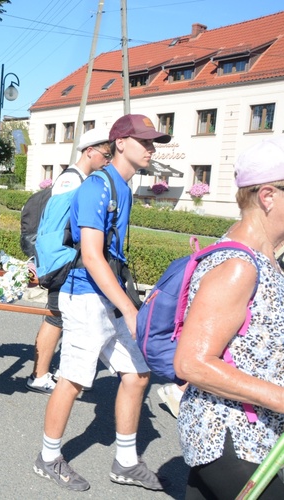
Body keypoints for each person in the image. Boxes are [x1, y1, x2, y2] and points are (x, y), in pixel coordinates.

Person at [33, 115, 170, 492]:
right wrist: (129, 308)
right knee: (74, 379)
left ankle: (125, 461)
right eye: (145, 142)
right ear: (121, 143)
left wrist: (126, 302)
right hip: (85, 296)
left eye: (153, 143)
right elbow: (92, 255)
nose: (152, 149)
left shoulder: (121, 187)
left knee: (138, 373)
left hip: (106, 295)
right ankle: (47, 458)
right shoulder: (97, 187)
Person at [174, 137, 284, 499]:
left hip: (254, 435)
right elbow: (192, 362)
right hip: (230, 438)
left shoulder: (267, 259)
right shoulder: (239, 265)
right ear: (267, 196)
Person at [26, 127, 111, 394]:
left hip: (66, 258)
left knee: (65, 316)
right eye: (106, 154)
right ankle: (39, 376)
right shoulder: (71, 181)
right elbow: (51, 229)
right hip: (63, 260)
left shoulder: (79, 180)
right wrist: (54, 264)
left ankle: (61, 372)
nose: (108, 160)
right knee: (56, 316)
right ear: (90, 152)